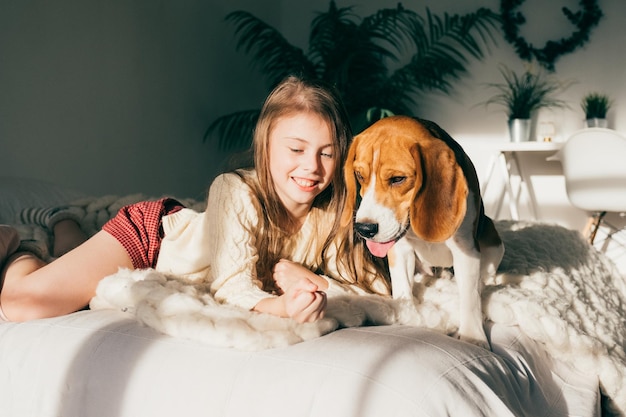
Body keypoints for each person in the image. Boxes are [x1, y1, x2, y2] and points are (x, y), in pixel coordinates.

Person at [0, 75, 390, 323]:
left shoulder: (335, 206)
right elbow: (231, 287)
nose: (312, 167)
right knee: (22, 303)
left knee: (71, 263)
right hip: (151, 240)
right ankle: (22, 247)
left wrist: (309, 279)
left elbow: (374, 290)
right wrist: (283, 306)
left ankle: (62, 221)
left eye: (326, 152)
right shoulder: (235, 189)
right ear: (266, 148)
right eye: (296, 149)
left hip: (166, 250)